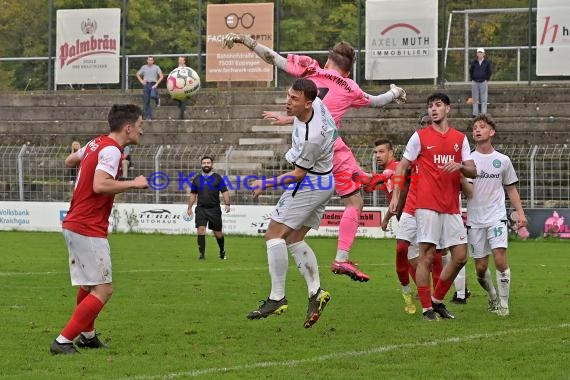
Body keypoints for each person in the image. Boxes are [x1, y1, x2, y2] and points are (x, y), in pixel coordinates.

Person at [222, 33, 406, 283]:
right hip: (332, 148)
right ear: (348, 70)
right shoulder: (349, 86)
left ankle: (309, 284)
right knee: (354, 204)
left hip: (308, 148)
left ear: (328, 59)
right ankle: (341, 256)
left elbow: (273, 58)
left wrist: (248, 41)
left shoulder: (311, 70)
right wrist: (395, 92)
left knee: (296, 229)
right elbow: (377, 102)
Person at [50, 104, 149, 354]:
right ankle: (63, 341)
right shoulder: (111, 150)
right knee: (103, 289)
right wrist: (133, 183)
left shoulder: (97, 143)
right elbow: (100, 185)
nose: (141, 131)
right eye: (140, 126)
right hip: (87, 225)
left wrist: (82, 154)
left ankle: (87, 335)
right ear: (128, 127)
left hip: (77, 222)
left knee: (88, 286)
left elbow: (69, 160)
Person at [246, 78, 336, 328]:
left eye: (294, 99)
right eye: (288, 95)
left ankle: (277, 298)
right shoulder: (316, 100)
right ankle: (316, 293)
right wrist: (288, 116)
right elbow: (323, 89)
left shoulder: (313, 137)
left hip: (310, 183)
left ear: (308, 103)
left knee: (273, 234)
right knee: (294, 239)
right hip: (326, 180)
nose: (288, 101)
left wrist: (265, 184)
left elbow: (298, 174)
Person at [389, 92, 477, 321]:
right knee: (426, 255)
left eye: (438, 105)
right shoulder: (419, 137)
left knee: (460, 256)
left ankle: (437, 300)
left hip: (451, 206)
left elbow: (473, 170)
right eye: (430, 106)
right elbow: (402, 167)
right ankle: (427, 308)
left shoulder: (460, 138)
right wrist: (396, 195)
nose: (433, 109)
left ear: (448, 109)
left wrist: (459, 165)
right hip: (426, 205)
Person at [462, 114, 527, 317]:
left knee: (500, 259)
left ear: (492, 132)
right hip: (475, 219)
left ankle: (504, 305)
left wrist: (521, 213)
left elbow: (511, 189)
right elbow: (468, 192)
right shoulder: (469, 161)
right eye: (474, 128)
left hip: (496, 216)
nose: (477, 130)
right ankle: (492, 296)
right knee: (481, 268)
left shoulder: (503, 160)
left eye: (482, 127)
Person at [187, 156, 230, 260]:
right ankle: (201, 255)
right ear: (201, 165)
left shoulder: (217, 178)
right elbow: (193, 194)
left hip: (214, 209)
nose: (206, 165)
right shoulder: (197, 179)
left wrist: (227, 204)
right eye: (204, 163)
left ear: (212, 164)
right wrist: (189, 207)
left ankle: (222, 251)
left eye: (208, 163)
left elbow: (224, 191)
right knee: (201, 230)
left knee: (218, 233)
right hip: (201, 209)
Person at [136, 55, 164, 121]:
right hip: (146, 85)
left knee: (153, 96)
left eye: (151, 60)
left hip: (153, 84)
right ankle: (148, 116)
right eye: (149, 60)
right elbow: (137, 74)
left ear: (153, 61)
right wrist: (141, 81)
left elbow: (161, 76)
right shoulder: (144, 67)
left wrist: (157, 84)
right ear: (147, 60)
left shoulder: (156, 67)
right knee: (147, 101)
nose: (150, 61)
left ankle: (157, 99)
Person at [469, 48, 492, 117]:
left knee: (484, 98)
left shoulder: (487, 62)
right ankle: (475, 114)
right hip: (475, 82)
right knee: (475, 98)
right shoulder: (474, 62)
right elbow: (471, 71)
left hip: (483, 82)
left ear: (484, 54)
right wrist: (472, 79)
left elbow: (489, 72)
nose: (480, 54)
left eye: (481, 52)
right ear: (477, 54)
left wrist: (486, 79)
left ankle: (483, 113)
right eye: (479, 52)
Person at [176, 56, 188, 120]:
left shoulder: (186, 69)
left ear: (184, 61)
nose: (180, 61)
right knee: (179, 102)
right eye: (179, 60)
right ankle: (182, 112)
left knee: (183, 100)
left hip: (184, 86)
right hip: (177, 87)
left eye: (181, 60)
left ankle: (182, 114)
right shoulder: (177, 68)